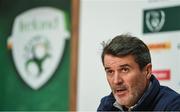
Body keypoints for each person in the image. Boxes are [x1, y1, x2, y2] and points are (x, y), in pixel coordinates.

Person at [97, 34, 180, 111]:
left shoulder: (173, 106)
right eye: (110, 71)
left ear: (147, 71)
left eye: (124, 70)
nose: (116, 81)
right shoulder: (106, 106)